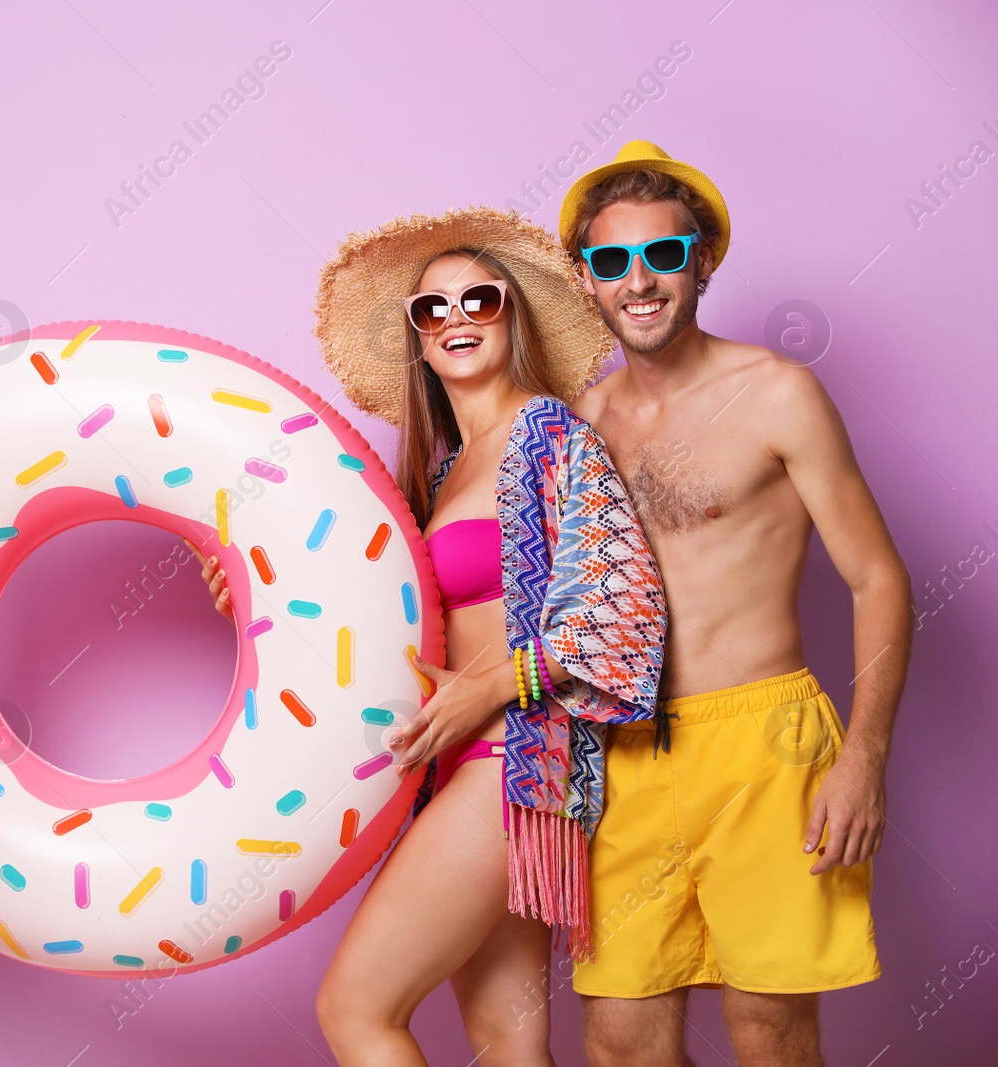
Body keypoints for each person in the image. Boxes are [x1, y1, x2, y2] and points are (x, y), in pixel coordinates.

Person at [198, 207, 668, 1064]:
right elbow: (380, 619)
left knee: (356, 1009)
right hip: (463, 774)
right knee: (504, 1045)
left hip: (515, 767)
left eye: (478, 299)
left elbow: (622, 614)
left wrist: (489, 688)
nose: (455, 318)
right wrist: (255, 585)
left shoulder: (552, 436)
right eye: (432, 308)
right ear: (416, 338)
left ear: (512, 315)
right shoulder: (449, 471)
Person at [557, 141, 911, 1067]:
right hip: (623, 756)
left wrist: (865, 756)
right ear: (585, 278)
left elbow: (878, 578)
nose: (640, 279)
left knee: (769, 1031)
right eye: (612, 259)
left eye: (663, 255)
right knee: (621, 1039)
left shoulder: (777, 393)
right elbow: (510, 578)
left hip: (765, 747)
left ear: (702, 260)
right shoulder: (581, 424)